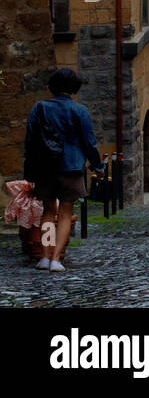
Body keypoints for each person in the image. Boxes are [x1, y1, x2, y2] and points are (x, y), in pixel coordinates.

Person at [24, 67, 101, 272]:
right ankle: (57, 259)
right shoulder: (79, 111)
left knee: (48, 212)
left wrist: (30, 170)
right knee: (66, 214)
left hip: (46, 168)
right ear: (74, 88)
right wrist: (98, 166)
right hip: (71, 167)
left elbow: (30, 141)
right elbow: (89, 143)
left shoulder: (39, 108)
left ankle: (45, 256)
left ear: (52, 86)